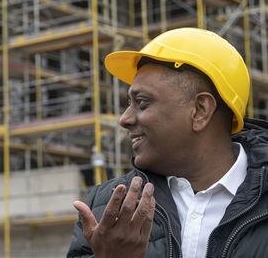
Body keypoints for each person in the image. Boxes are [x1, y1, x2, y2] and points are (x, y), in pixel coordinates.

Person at [67, 28, 268, 258]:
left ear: (200, 110)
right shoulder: (106, 207)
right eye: (128, 103)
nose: (125, 119)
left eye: (142, 103)